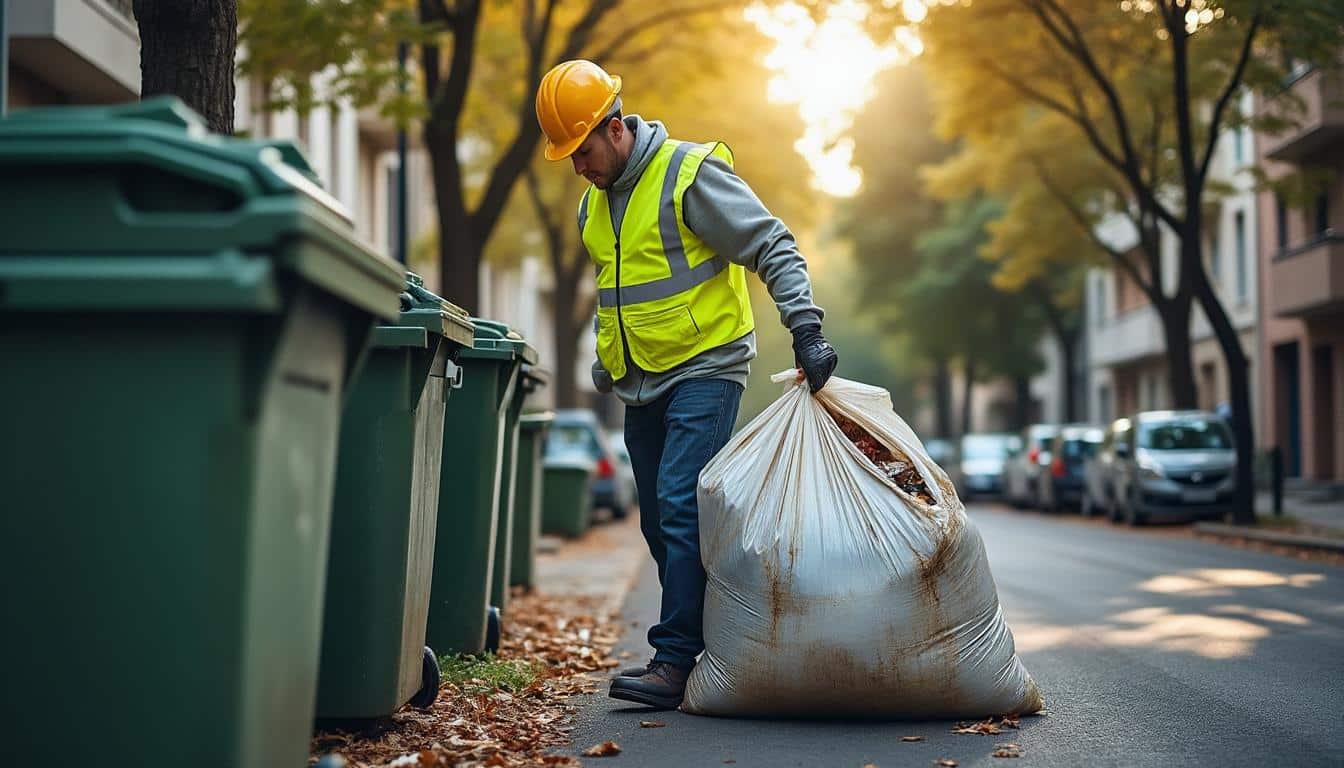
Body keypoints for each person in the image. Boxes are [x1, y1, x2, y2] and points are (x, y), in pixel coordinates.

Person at [535, 59, 838, 709]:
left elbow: (771, 244)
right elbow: (616, 291)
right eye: (568, 158)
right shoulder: (595, 203)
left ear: (615, 129)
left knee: (680, 502)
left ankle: (673, 661)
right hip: (640, 381)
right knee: (661, 521)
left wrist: (805, 328)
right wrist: (606, 359)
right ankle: (721, 631)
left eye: (583, 151)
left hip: (707, 363)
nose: (578, 168)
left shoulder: (687, 174)